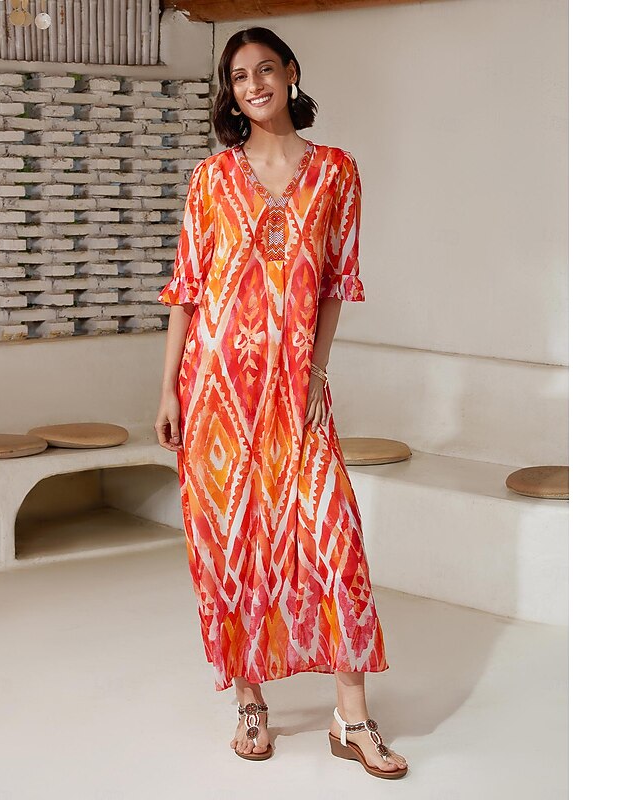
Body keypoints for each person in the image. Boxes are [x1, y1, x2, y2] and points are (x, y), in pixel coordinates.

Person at [154, 26, 408, 779]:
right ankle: (250, 701)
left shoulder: (336, 172)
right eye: (239, 77)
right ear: (230, 93)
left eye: (265, 69)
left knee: (335, 539)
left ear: (291, 73)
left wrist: (316, 374)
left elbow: (335, 284)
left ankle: (351, 718)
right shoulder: (212, 178)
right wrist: (167, 387)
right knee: (231, 543)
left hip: (295, 389)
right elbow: (187, 289)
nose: (254, 85)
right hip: (216, 391)